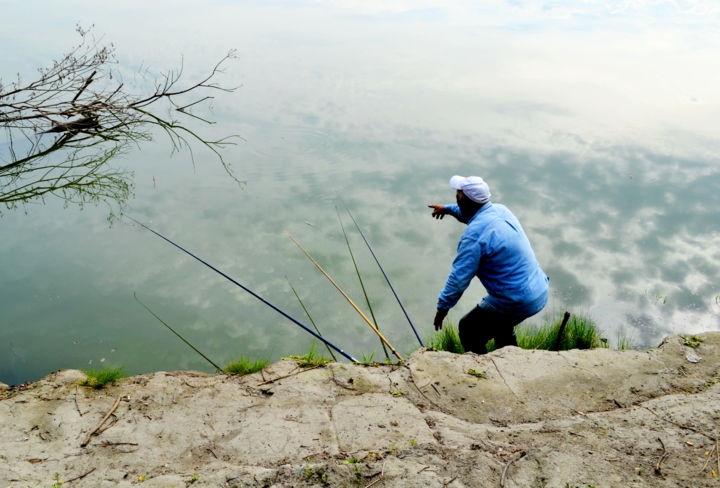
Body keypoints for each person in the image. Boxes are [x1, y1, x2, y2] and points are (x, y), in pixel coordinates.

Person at [428, 175, 549, 354]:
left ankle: (483, 370)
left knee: (469, 328)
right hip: (539, 290)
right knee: (502, 324)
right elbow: (472, 214)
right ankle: (513, 360)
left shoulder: (474, 236)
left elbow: (458, 279)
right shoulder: (501, 210)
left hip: (515, 300)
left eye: (458, 194)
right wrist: (448, 209)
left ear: (464, 200)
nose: (456, 195)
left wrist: (442, 308)